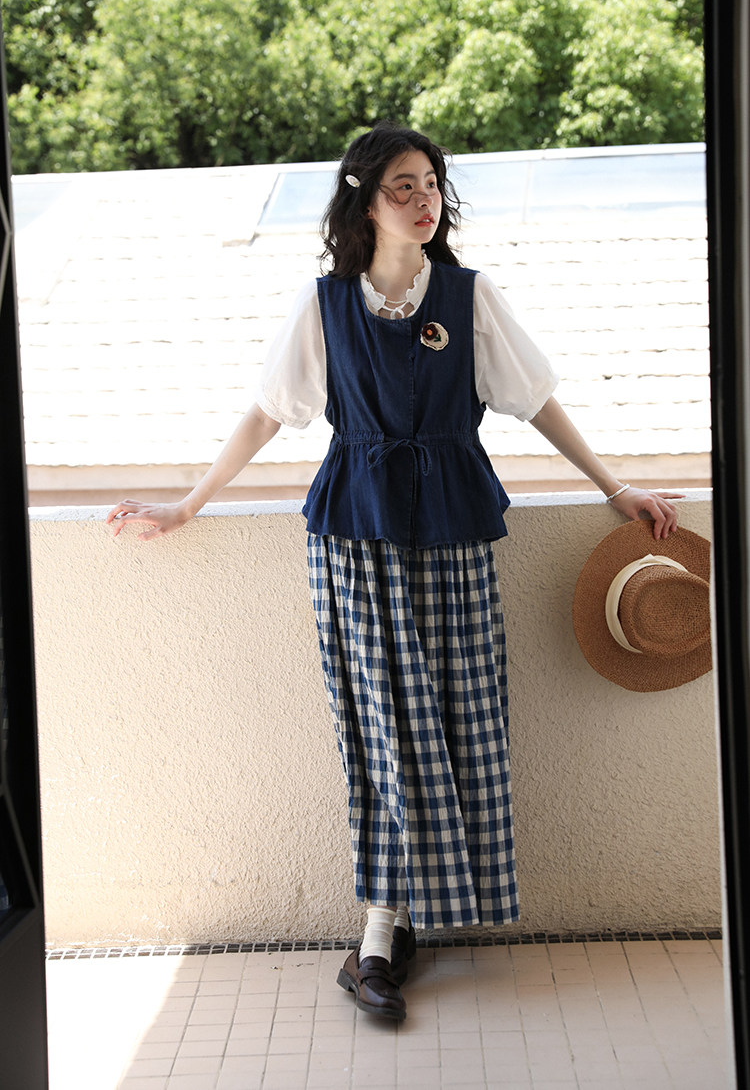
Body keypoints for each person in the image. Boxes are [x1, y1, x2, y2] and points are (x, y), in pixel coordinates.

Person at [107, 121, 682, 1023]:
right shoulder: (325, 305)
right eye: (403, 187)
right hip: (355, 535)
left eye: (432, 184)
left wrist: (615, 486)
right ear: (365, 203)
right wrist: (187, 505)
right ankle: (378, 932)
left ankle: (407, 922)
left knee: (462, 716)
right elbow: (268, 413)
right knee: (378, 725)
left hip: (452, 530)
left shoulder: (468, 295)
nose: (424, 201)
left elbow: (535, 401)